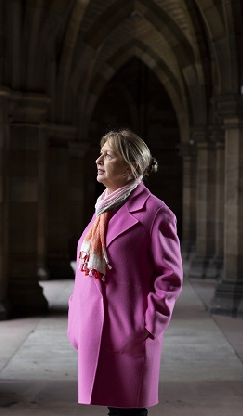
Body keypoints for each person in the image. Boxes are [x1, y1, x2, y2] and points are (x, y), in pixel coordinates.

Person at [67, 129, 184, 416]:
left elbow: (169, 277)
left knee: (129, 410)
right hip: (95, 327)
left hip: (129, 329)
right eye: (100, 152)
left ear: (131, 165)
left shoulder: (156, 213)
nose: (98, 160)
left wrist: (148, 325)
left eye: (108, 155)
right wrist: (75, 315)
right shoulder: (104, 209)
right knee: (114, 407)